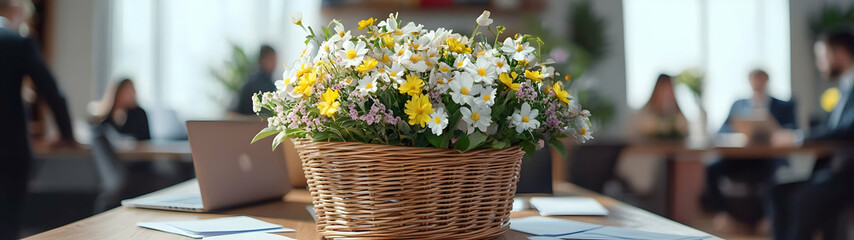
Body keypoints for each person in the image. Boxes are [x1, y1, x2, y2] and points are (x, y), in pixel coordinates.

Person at [1, 0, 76, 239]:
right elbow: (51, 91)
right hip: (9, 150)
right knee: (7, 223)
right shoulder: (18, 43)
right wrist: (67, 134)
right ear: (16, 12)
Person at [771, 30, 854, 240]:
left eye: (821, 56)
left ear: (840, 54)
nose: (819, 63)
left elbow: (847, 131)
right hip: (835, 169)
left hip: (847, 173)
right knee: (778, 190)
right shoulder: (845, 88)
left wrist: (799, 137)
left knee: (805, 195)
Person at [701, 69, 797, 233]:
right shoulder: (739, 104)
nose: (757, 83)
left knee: (774, 172)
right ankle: (724, 215)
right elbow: (723, 129)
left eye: (760, 79)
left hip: (770, 156)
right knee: (712, 166)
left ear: (767, 80)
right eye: (754, 79)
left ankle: (767, 218)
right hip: (742, 156)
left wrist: (777, 133)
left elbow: (793, 129)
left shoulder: (783, 105)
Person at [628, 74, 689, 141]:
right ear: (656, 93)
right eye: (663, 92)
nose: (666, 97)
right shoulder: (641, 116)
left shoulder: (680, 119)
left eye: (669, 93)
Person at [233, 44, 277, 115]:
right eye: (271, 59)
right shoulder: (252, 83)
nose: (274, 63)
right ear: (262, 60)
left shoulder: (271, 82)